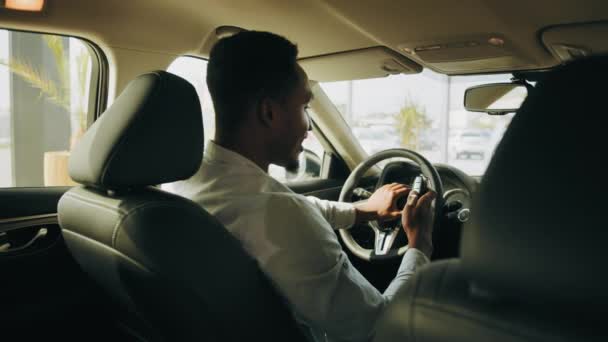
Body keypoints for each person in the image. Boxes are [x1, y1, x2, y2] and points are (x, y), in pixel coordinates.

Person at [170, 30, 436, 342]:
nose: (308, 126)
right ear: (268, 112)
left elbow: (288, 208)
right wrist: (420, 245)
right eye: (304, 107)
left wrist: (361, 211)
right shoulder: (279, 215)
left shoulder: (193, 177)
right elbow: (378, 330)